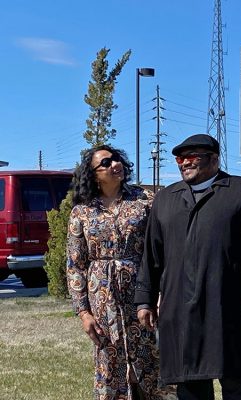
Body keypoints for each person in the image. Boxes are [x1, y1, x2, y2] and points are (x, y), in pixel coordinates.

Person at [134, 134, 241, 400]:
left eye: (192, 157)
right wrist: (144, 299)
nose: (184, 163)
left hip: (229, 304)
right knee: (189, 382)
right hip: (179, 308)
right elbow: (152, 255)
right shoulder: (166, 198)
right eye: (179, 159)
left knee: (237, 378)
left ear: (214, 159)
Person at [67, 145, 172, 399]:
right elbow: (75, 265)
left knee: (150, 356)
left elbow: (164, 248)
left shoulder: (144, 201)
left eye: (116, 159)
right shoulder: (82, 211)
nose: (115, 164)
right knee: (110, 359)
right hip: (103, 302)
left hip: (142, 293)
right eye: (106, 163)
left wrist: (162, 292)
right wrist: (83, 313)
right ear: (93, 174)